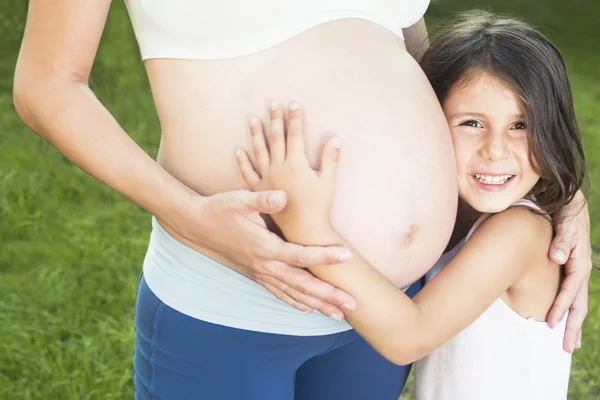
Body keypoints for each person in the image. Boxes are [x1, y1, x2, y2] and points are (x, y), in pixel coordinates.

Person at [12, 1, 591, 399]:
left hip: (381, 313)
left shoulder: (520, 230)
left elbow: (434, 75)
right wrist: (192, 218)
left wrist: (555, 194)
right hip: (233, 305)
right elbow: (47, 85)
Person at [236, 10, 587, 399]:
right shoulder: (456, 213)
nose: (496, 150)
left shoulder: (520, 231)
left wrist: (309, 227)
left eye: (521, 125)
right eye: (472, 123)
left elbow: (409, 335)